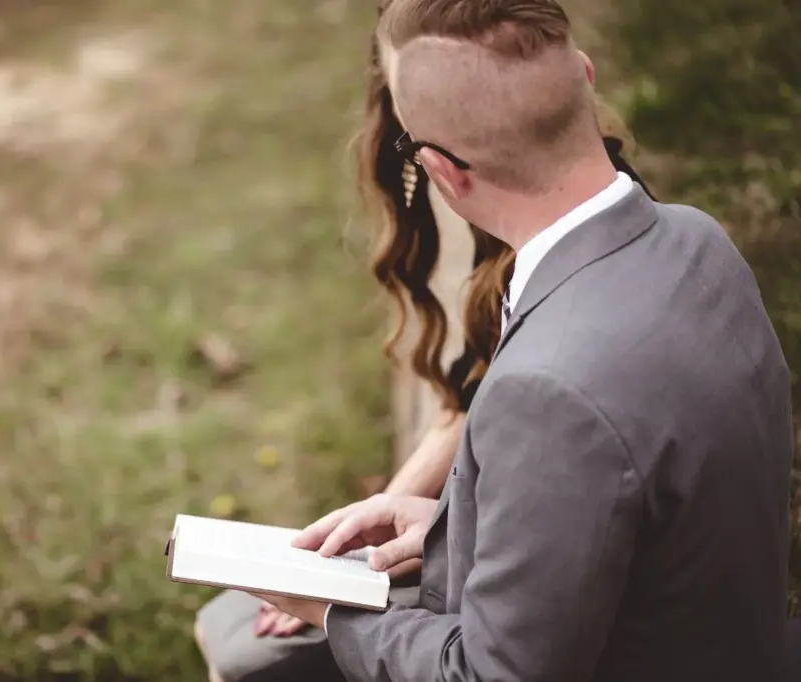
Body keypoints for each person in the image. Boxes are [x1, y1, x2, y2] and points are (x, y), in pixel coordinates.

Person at [249, 2, 796, 682]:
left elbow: (489, 676)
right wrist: (457, 524)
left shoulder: (548, 392)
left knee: (247, 654)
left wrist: (333, 612)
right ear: (586, 79)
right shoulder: (698, 240)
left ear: (444, 174)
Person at [192, 3, 661, 681]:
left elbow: (499, 658)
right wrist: (379, 533)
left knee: (248, 654)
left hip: (541, 572)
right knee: (234, 623)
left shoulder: (543, 242)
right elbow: (477, 393)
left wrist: (336, 603)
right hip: (504, 517)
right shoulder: (645, 235)